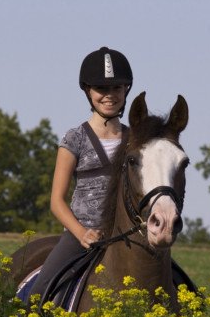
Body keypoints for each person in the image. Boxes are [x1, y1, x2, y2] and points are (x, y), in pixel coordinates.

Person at [29, 46, 133, 302]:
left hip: (129, 236)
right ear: (88, 91)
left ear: (126, 90)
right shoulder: (74, 138)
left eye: (117, 88)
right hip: (83, 234)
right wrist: (81, 233)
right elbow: (56, 201)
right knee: (41, 291)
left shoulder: (136, 141)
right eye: (102, 89)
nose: (110, 96)